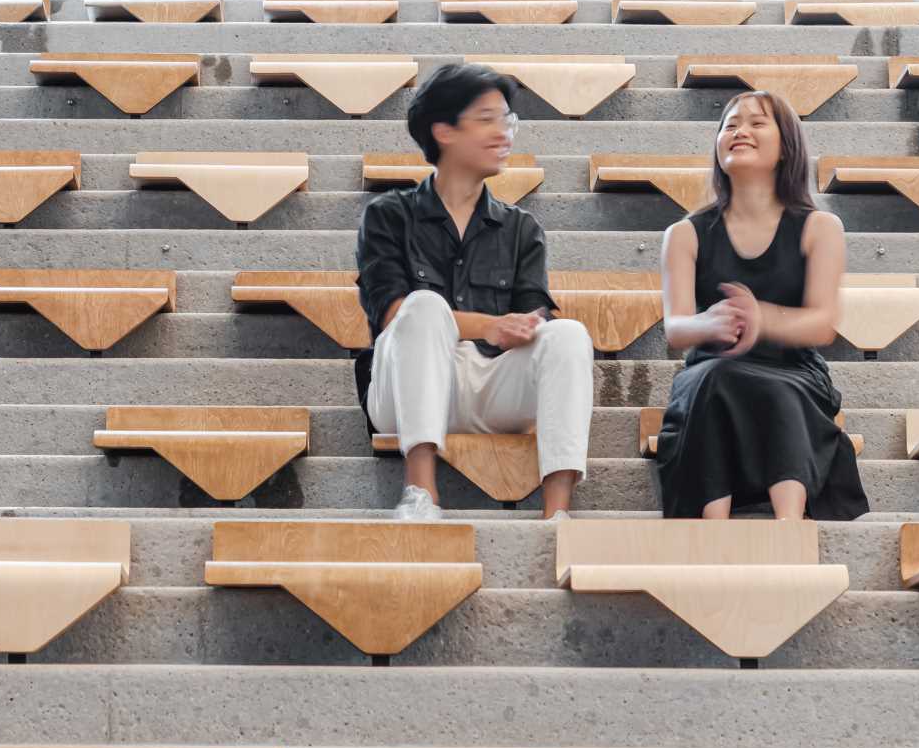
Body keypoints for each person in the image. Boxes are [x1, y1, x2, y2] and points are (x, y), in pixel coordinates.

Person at [355, 62, 593, 521]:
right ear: (443, 131)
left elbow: (533, 318)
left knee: (569, 335)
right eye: (487, 119)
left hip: (488, 383)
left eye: (508, 121)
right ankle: (420, 493)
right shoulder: (388, 215)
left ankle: (557, 513)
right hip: (405, 389)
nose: (504, 133)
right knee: (423, 307)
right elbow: (392, 313)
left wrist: (527, 326)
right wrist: (490, 325)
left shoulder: (522, 228)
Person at [652, 90, 866, 523]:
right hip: (712, 367)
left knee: (778, 389)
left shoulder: (819, 227)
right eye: (730, 124)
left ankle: (789, 525)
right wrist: (710, 324)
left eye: (755, 123)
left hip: (792, 369)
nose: (739, 131)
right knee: (712, 377)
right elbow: (675, 328)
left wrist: (761, 318)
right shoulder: (685, 234)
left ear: (786, 145)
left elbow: (822, 325)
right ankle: (712, 528)